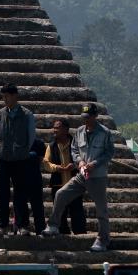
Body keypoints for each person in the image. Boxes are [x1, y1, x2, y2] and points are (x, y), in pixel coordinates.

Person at [42, 102, 113, 252]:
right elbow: (74, 150)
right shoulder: (79, 131)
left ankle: (103, 240)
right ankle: (54, 225)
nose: (86, 120)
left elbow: (109, 153)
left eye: (88, 117)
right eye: (84, 117)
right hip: (81, 175)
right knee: (61, 194)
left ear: (95, 116)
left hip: (97, 176)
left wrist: (94, 164)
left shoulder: (104, 133)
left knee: (101, 209)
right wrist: (79, 161)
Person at [0, 84, 37, 237]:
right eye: (3, 97)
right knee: (3, 194)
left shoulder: (27, 115)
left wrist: (22, 151)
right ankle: (2, 225)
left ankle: (23, 225)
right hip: (3, 159)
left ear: (15, 96)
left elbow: (31, 137)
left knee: (20, 194)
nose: (4, 99)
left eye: (7, 96)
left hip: (20, 159)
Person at [43, 118, 86, 234]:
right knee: (60, 214)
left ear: (66, 130)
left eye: (58, 127)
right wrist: (58, 168)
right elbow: (46, 163)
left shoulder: (75, 144)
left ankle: (80, 236)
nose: (54, 130)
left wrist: (76, 166)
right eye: (54, 127)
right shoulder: (51, 146)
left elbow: (84, 160)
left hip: (75, 184)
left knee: (77, 212)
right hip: (58, 184)